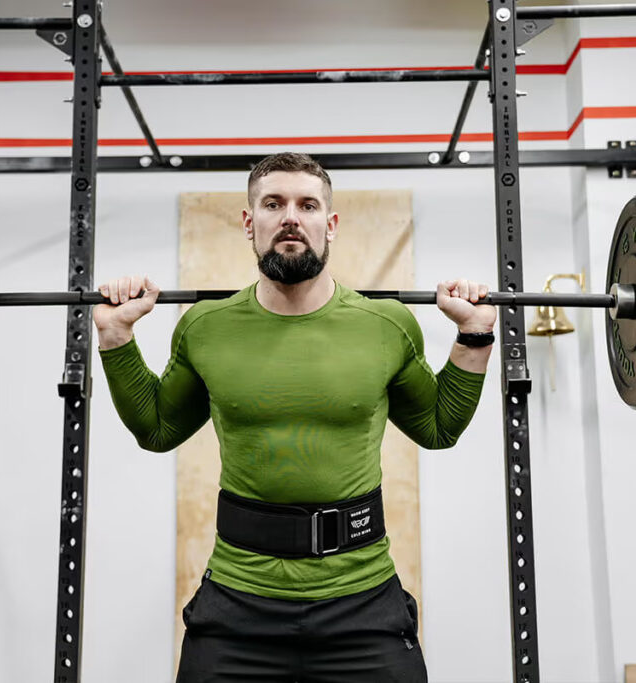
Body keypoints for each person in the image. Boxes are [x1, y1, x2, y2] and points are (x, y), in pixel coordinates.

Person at [94, 152, 496, 682]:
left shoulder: (387, 325)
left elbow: (440, 429)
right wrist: (115, 337)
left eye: (307, 205)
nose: (291, 217)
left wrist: (474, 336)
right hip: (237, 603)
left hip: (362, 600)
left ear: (329, 225)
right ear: (249, 222)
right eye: (273, 203)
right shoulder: (205, 327)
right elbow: (156, 428)